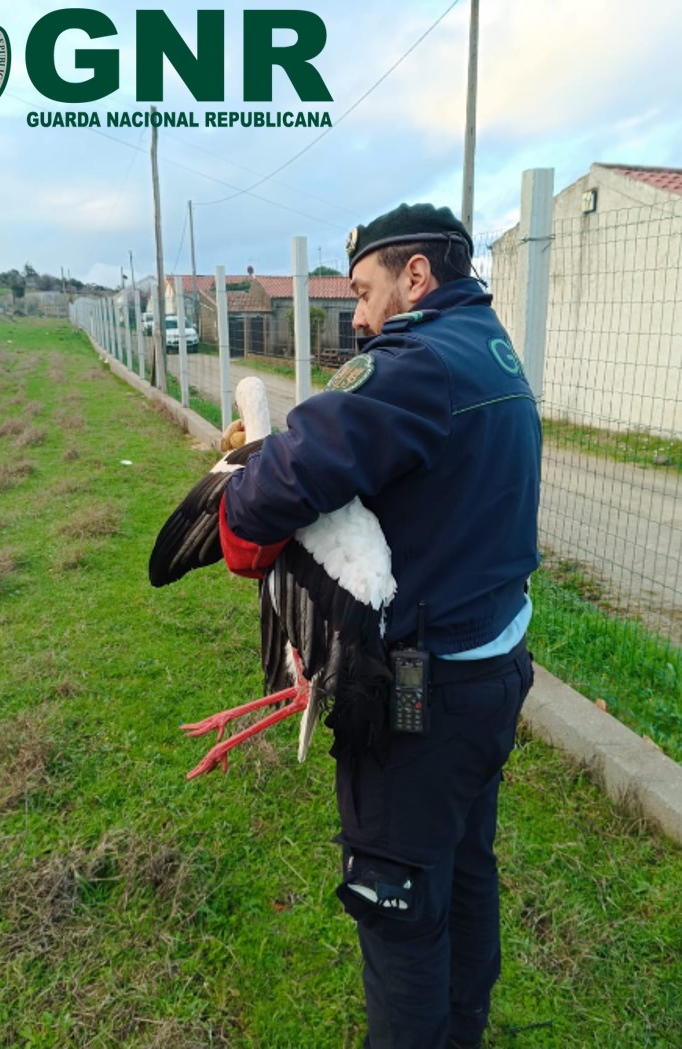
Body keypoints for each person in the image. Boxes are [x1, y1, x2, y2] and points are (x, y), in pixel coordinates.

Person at [219, 203, 541, 1049]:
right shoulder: (491, 347)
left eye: (363, 291)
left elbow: (274, 488)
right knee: (462, 868)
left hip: (419, 695)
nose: (357, 315)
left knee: (395, 901)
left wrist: (241, 488)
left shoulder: (415, 365)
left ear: (416, 276)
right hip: (493, 672)